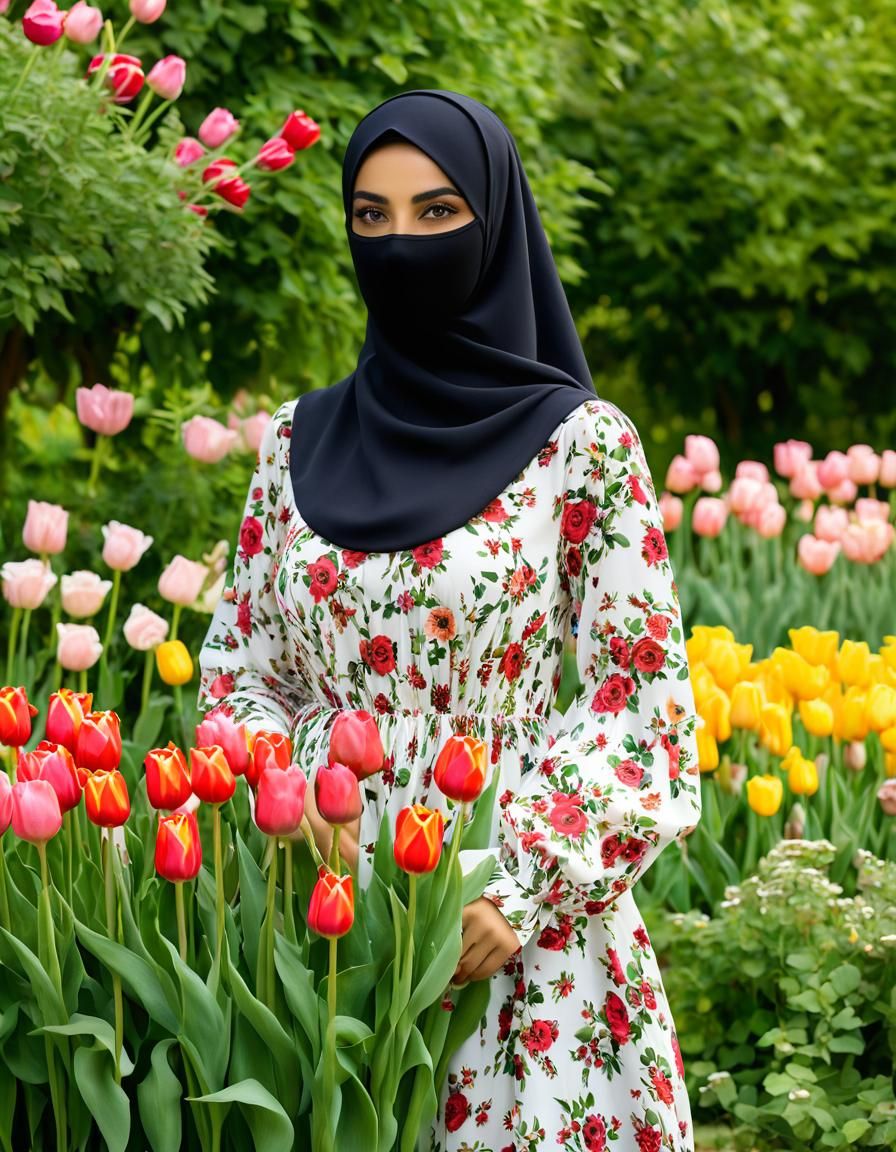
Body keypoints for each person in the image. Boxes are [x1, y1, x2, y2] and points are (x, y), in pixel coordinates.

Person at [198, 89, 702, 1152]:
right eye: (370, 217)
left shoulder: (581, 446)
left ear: (496, 223)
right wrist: (288, 790)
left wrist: (520, 890)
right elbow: (242, 669)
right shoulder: (293, 442)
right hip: (314, 914)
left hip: (508, 923)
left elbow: (639, 708)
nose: (399, 244)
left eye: (436, 213)